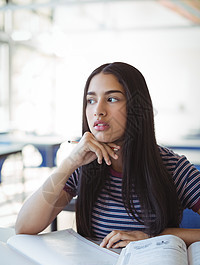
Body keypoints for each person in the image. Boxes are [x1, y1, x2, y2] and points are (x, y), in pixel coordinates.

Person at [15, 62, 200, 248]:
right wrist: (69, 163)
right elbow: (24, 227)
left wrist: (157, 236)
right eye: (91, 100)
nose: (98, 111)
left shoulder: (173, 167)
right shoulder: (83, 165)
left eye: (112, 99)